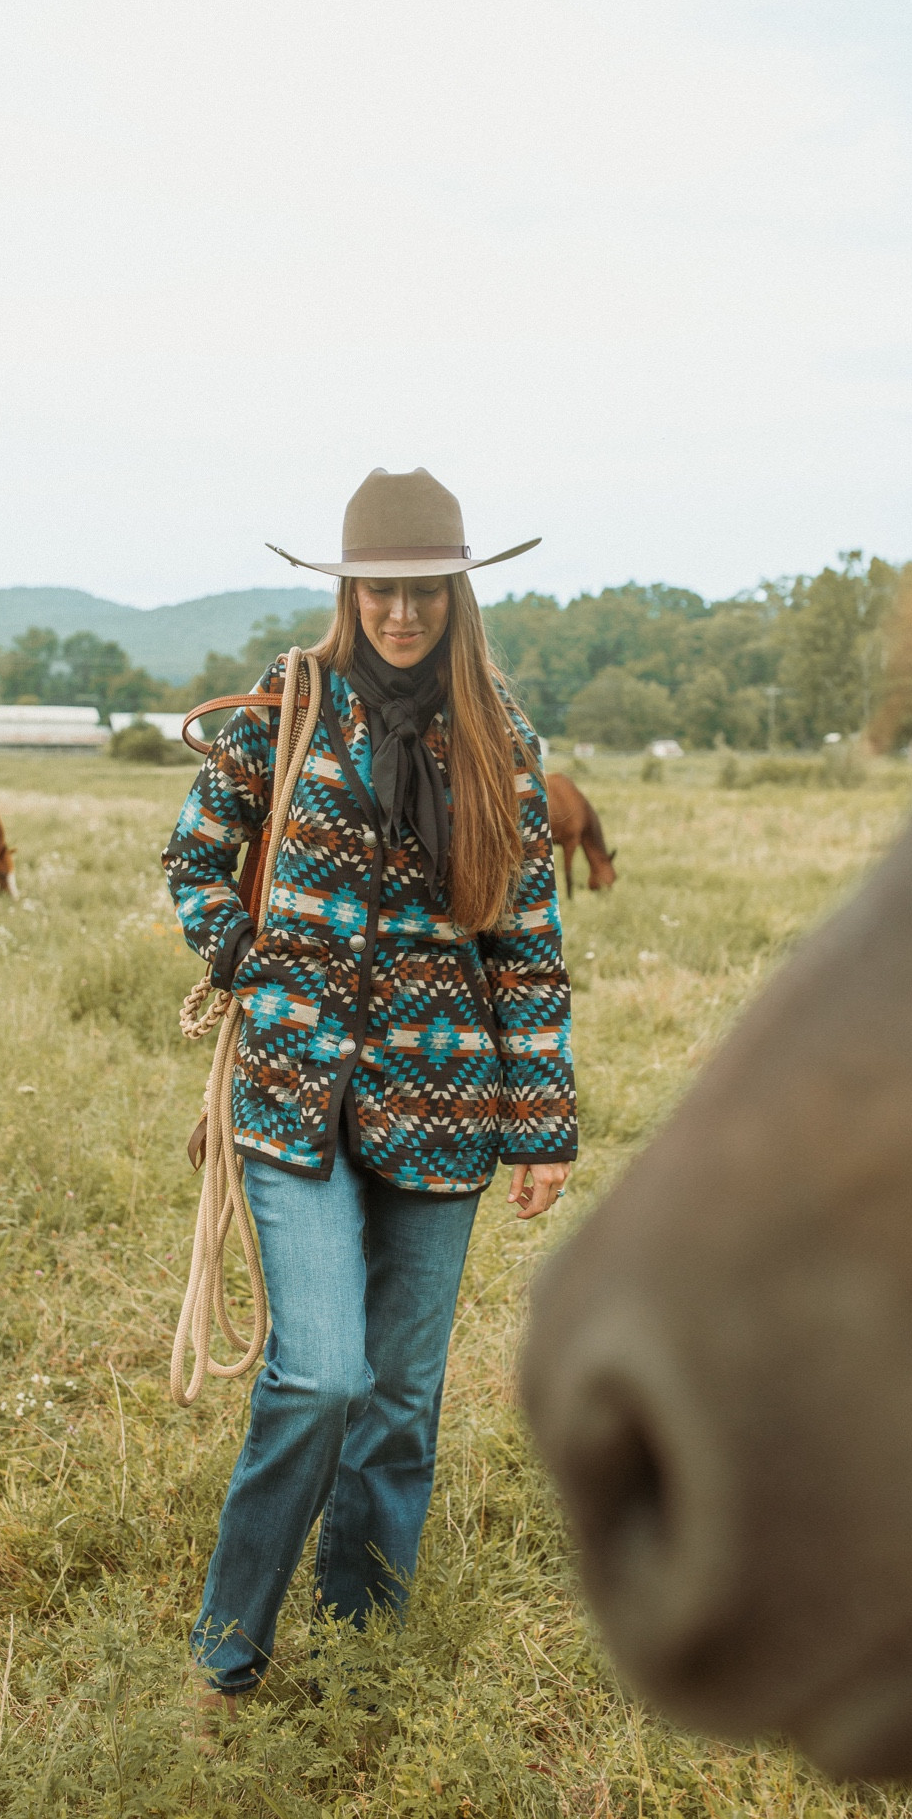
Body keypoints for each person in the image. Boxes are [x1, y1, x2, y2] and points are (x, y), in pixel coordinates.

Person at [162, 466, 578, 1727]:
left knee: (400, 1397)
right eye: (380, 587)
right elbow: (195, 853)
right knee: (325, 1372)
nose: (401, 609)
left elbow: (528, 943)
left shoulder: (501, 739)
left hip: (447, 1099)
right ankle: (230, 1639)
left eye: (423, 588)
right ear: (351, 590)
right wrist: (249, 964)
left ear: (456, 594)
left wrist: (541, 1126)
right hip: (295, 1095)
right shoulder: (283, 711)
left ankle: (361, 1648)